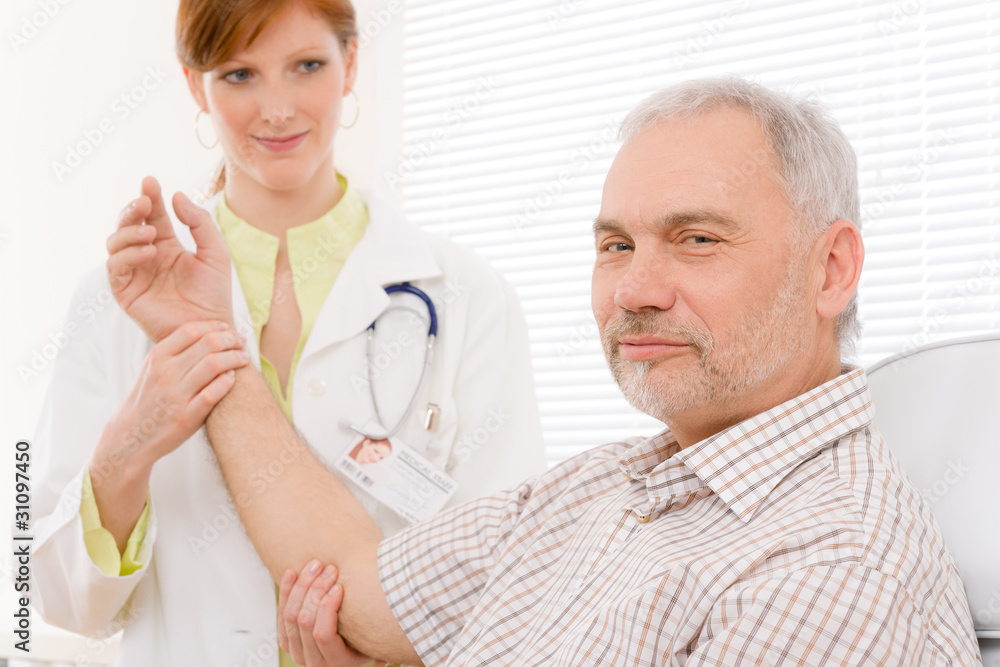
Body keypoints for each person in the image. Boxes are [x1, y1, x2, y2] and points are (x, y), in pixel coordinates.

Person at [105, 77, 982, 666]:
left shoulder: (831, 570)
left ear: (831, 269)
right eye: (616, 245)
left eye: (697, 238)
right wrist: (209, 334)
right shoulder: (609, 487)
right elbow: (354, 580)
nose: (634, 289)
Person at [30, 1, 546, 665]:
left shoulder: (469, 295)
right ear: (195, 85)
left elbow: (510, 583)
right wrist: (129, 447)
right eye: (240, 75)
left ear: (350, 63)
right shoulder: (112, 302)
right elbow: (49, 596)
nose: (277, 110)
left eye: (306, 66)